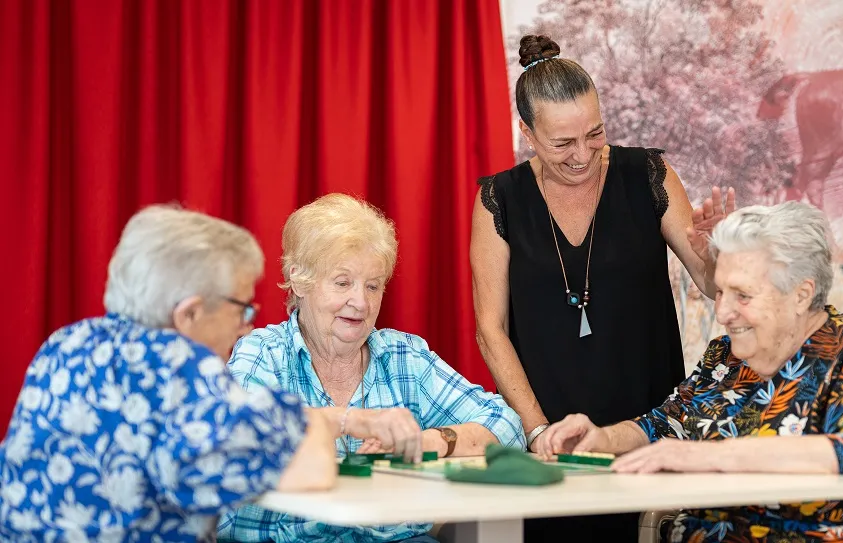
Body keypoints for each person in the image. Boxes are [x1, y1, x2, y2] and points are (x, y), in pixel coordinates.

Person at [537, 201, 843, 542]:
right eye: (722, 292)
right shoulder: (725, 358)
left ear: (801, 294)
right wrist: (601, 438)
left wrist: (709, 457)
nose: (723, 312)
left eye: (742, 295)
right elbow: (662, 427)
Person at [470, 34, 734, 541]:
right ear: (527, 133)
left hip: (648, 427)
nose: (583, 155)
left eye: (595, 134)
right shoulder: (498, 200)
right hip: (550, 437)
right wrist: (538, 431)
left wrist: (717, 252)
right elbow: (490, 329)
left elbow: (708, 281)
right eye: (562, 143)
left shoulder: (648, 174)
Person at [0, 205, 384, 541]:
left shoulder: (65, 342)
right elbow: (313, 470)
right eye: (240, 308)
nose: (245, 327)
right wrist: (330, 423)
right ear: (190, 314)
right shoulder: (182, 370)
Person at [217, 193, 524, 543]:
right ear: (299, 280)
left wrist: (430, 441)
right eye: (343, 282)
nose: (361, 302)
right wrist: (344, 423)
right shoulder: (264, 353)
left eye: (373, 286)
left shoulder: (402, 355)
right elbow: (238, 439)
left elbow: (506, 425)